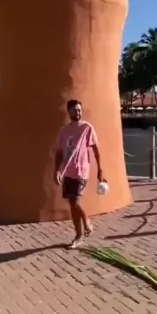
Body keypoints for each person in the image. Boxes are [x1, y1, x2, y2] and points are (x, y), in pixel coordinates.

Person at [54, 99, 104, 249]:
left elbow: (96, 150)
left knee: (75, 201)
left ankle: (87, 221)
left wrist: (100, 170)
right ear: (68, 111)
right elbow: (59, 152)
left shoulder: (87, 128)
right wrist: (57, 171)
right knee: (72, 204)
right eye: (75, 110)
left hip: (81, 171)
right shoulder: (64, 131)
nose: (78, 112)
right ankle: (78, 236)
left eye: (80, 110)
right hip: (67, 172)